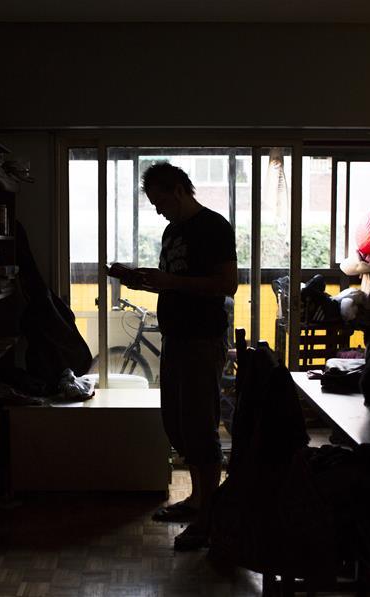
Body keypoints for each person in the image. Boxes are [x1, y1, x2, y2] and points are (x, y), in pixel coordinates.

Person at [121, 162, 237, 551]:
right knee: (177, 425)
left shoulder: (214, 227)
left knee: (200, 428)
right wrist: (142, 280)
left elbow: (227, 284)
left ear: (178, 189)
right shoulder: (173, 231)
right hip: (177, 339)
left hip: (202, 341)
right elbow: (174, 283)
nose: (157, 210)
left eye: (159, 200)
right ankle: (199, 500)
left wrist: (170, 282)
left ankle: (209, 517)